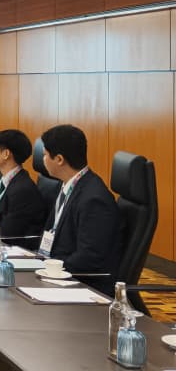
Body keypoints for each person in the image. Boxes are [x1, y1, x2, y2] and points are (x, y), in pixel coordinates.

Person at [39, 124, 121, 292]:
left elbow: (89, 258)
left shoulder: (94, 199)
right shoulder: (67, 186)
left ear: (59, 159)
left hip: (82, 285)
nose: (43, 160)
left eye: (45, 155)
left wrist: (49, 268)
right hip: (57, 272)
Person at [0, 129, 48, 249]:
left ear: (6, 154)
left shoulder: (22, 190)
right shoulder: (2, 179)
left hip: (11, 249)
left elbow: (9, 235)